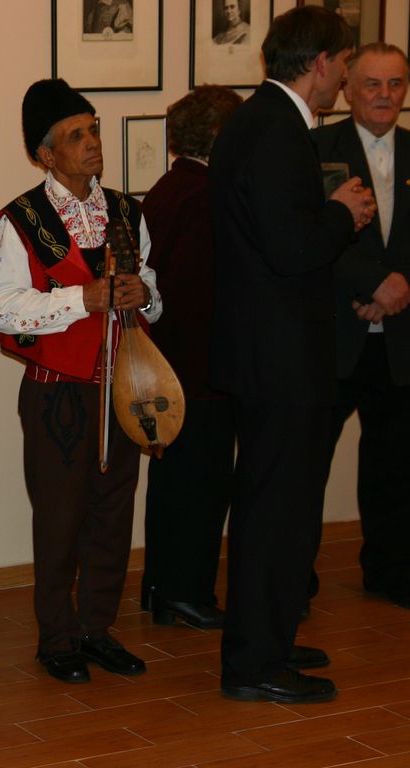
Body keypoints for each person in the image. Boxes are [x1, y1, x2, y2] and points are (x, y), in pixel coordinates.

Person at [209, 5, 376, 704]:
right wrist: (344, 212)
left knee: (278, 507)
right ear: (322, 62)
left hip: (269, 354)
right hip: (278, 358)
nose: (347, 78)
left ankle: (270, 640)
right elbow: (291, 248)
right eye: (346, 64)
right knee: (274, 511)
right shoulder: (277, 130)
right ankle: (254, 662)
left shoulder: (261, 121)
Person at [0, 78, 161, 685]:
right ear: (45, 154)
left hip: (124, 382)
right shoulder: (20, 220)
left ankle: (97, 629)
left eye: (93, 130)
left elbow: (154, 291)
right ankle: (56, 637)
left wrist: (144, 295)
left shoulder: (127, 211)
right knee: (60, 515)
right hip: (57, 389)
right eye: (75, 135)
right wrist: (83, 298)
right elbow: (3, 310)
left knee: (113, 509)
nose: (92, 143)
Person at [139, 86, 243, 630]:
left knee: (176, 481)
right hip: (200, 369)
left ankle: (164, 587)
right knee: (201, 485)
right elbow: (198, 293)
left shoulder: (170, 187)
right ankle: (185, 592)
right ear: (221, 135)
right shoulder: (204, 195)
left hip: (172, 365)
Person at [312, 43, 410, 611]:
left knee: (394, 465)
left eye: (395, 84)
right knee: (308, 466)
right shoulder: (317, 149)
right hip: (335, 334)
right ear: (347, 88)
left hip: (399, 338)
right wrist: (369, 286)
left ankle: (391, 572)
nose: (384, 95)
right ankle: (295, 580)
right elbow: (307, 236)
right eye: (372, 84)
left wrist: (396, 289)